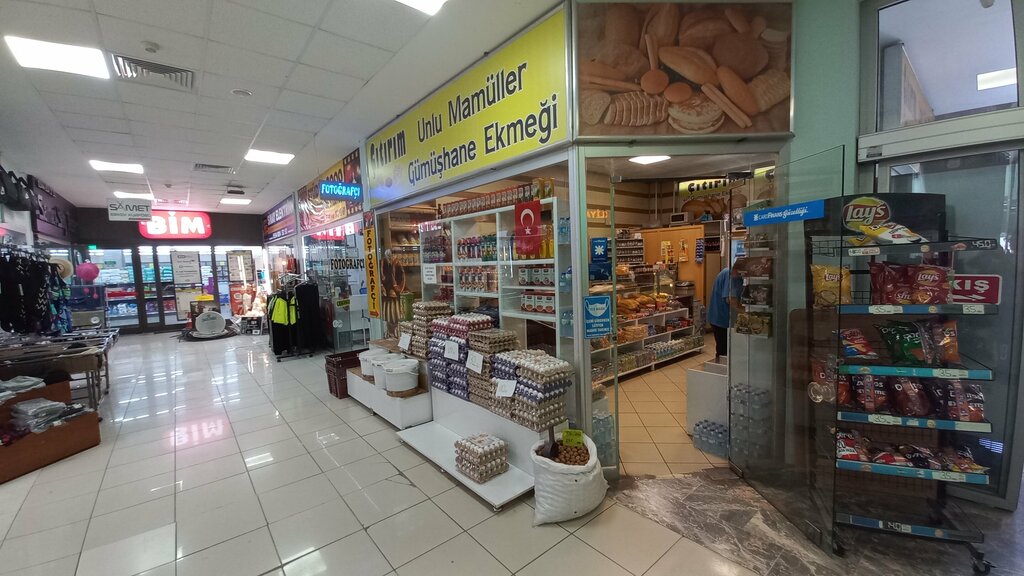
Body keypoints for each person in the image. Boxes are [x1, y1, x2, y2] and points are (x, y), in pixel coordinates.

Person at [708, 266, 742, 363]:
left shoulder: (734, 275)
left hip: (721, 317)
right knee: (723, 352)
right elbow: (730, 300)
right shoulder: (730, 275)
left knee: (727, 350)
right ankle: (721, 374)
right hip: (721, 319)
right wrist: (747, 312)